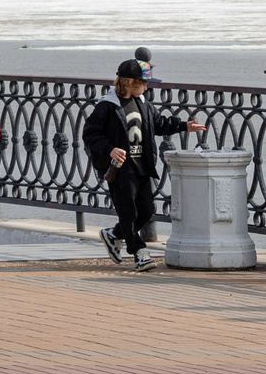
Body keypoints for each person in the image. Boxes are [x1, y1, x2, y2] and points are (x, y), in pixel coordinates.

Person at [84, 58, 203, 271]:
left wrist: (183, 126)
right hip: (120, 168)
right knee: (128, 211)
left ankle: (113, 234)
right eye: (143, 84)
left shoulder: (143, 104)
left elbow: (158, 124)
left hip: (142, 164)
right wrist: (110, 148)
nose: (146, 88)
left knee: (147, 210)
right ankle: (139, 252)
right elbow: (90, 133)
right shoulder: (107, 106)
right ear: (129, 82)